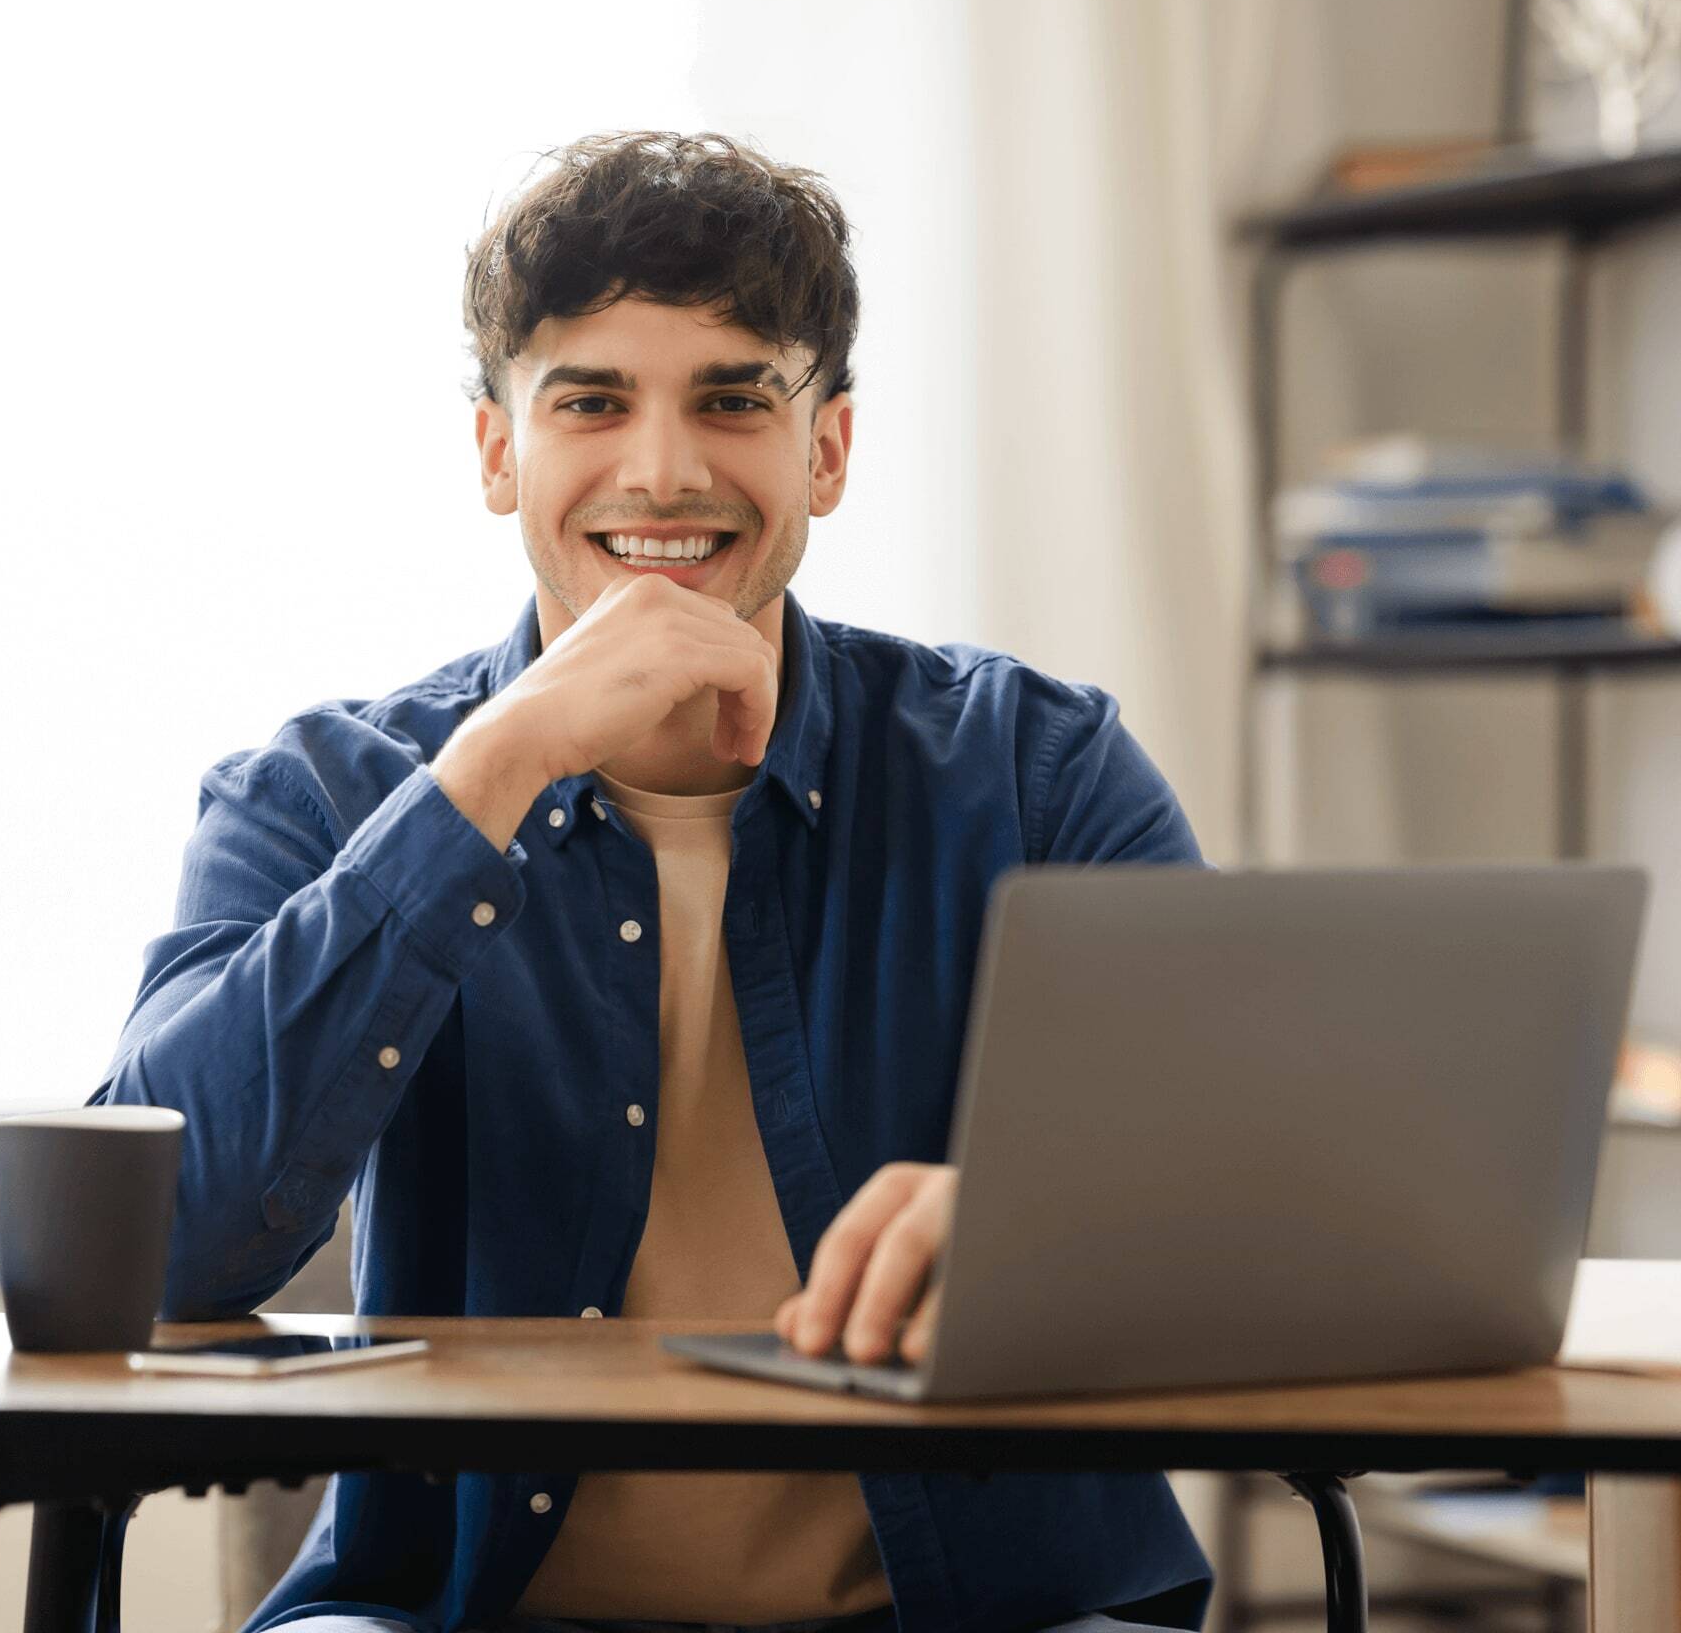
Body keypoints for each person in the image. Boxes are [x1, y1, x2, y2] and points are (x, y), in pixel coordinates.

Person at [89, 132, 1213, 1633]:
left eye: (735, 398)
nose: (665, 469)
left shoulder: (1040, 773)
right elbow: (157, 1249)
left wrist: (1041, 1218)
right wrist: (492, 773)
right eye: (592, 402)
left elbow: (1234, 1200)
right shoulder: (321, 793)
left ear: (828, 448)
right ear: (502, 453)